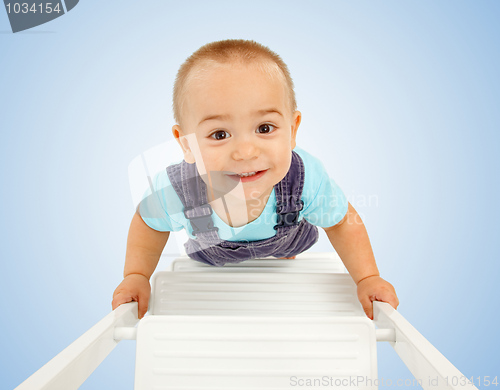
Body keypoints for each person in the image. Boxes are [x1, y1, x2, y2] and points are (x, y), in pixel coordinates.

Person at [112, 39, 399, 320]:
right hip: (213, 260)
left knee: (292, 242)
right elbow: (148, 224)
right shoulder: (177, 190)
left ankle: (282, 251)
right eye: (219, 134)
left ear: (292, 129)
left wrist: (367, 277)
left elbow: (341, 222)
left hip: (288, 243)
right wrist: (137, 275)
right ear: (186, 144)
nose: (246, 152)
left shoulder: (306, 178)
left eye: (264, 127)